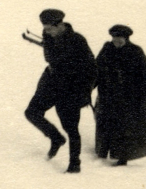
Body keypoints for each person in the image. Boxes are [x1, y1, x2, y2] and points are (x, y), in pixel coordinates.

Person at [25, 9, 97, 173]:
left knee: (71, 128)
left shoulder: (78, 40)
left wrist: (85, 92)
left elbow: (92, 69)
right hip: (51, 81)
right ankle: (56, 138)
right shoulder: (48, 35)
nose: (46, 32)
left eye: (50, 28)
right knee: (32, 112)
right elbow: (50, 57)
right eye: (45, 28)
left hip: (71, 87)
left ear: (60, 25)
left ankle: (74, 164)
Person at [95, 25, 146, 166]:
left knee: (124, 128)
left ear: (126, 38)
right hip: (108, 97)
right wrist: (87, 88)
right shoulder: (107, 49)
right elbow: (95, 70)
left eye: (120, 39)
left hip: (127, 99)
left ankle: (122, 158)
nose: (116, 42)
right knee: (105, 124)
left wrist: (142, 97)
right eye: (114, 39)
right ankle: (103, 152)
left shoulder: (136, 52)